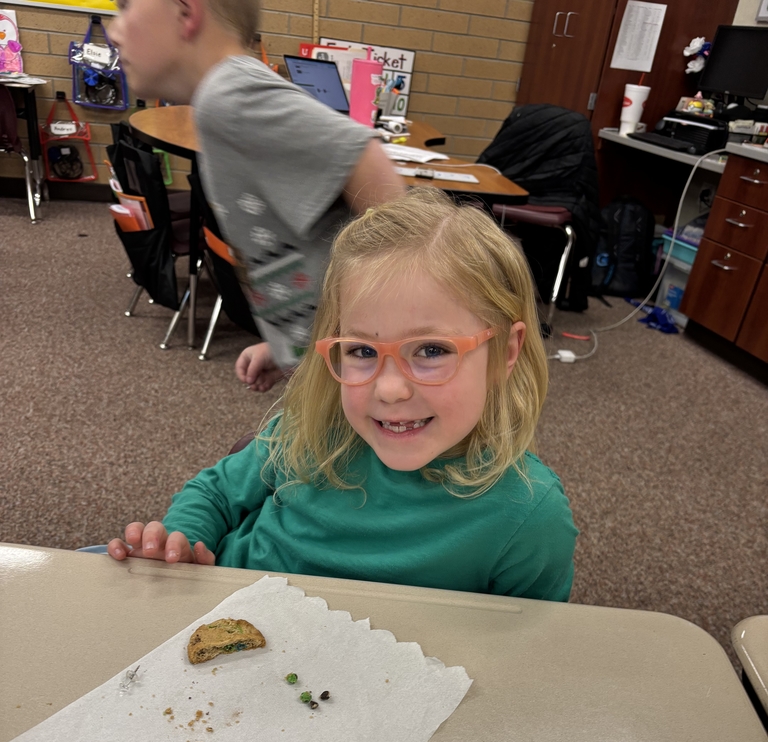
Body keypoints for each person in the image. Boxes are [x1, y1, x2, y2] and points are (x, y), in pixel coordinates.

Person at [108, 190, 578, 601]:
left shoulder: (529, 515)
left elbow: (524, 650)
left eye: (432, 350)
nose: (389, 390)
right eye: (361, 350)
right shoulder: (313, 429)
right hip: (230, 613)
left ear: (506, 351)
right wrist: (180, 540)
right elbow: (215, 492)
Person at [110, 0, 405, 393]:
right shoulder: (222, 99)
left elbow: (365, 161)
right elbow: (300, 247)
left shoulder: (230, 97)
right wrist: (288, 349)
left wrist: (399, 326)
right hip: (324, 361)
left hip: (357, 368)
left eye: (125, 6)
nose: (113, 30)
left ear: (185, 12)